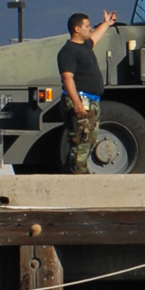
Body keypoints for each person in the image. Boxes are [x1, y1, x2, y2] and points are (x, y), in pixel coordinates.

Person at [55, 9, 117, 173]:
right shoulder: (68, 51)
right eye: (87, 26)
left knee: (89, 138)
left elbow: (96, 36)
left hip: (92, 100)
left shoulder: (85, 46)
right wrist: (77, 102)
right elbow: (68, 78)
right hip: (81, 100)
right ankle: (78, 173)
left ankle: (75, 170)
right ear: (77, 29)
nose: (90, 29)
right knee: (81, 139)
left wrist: (106, 23)